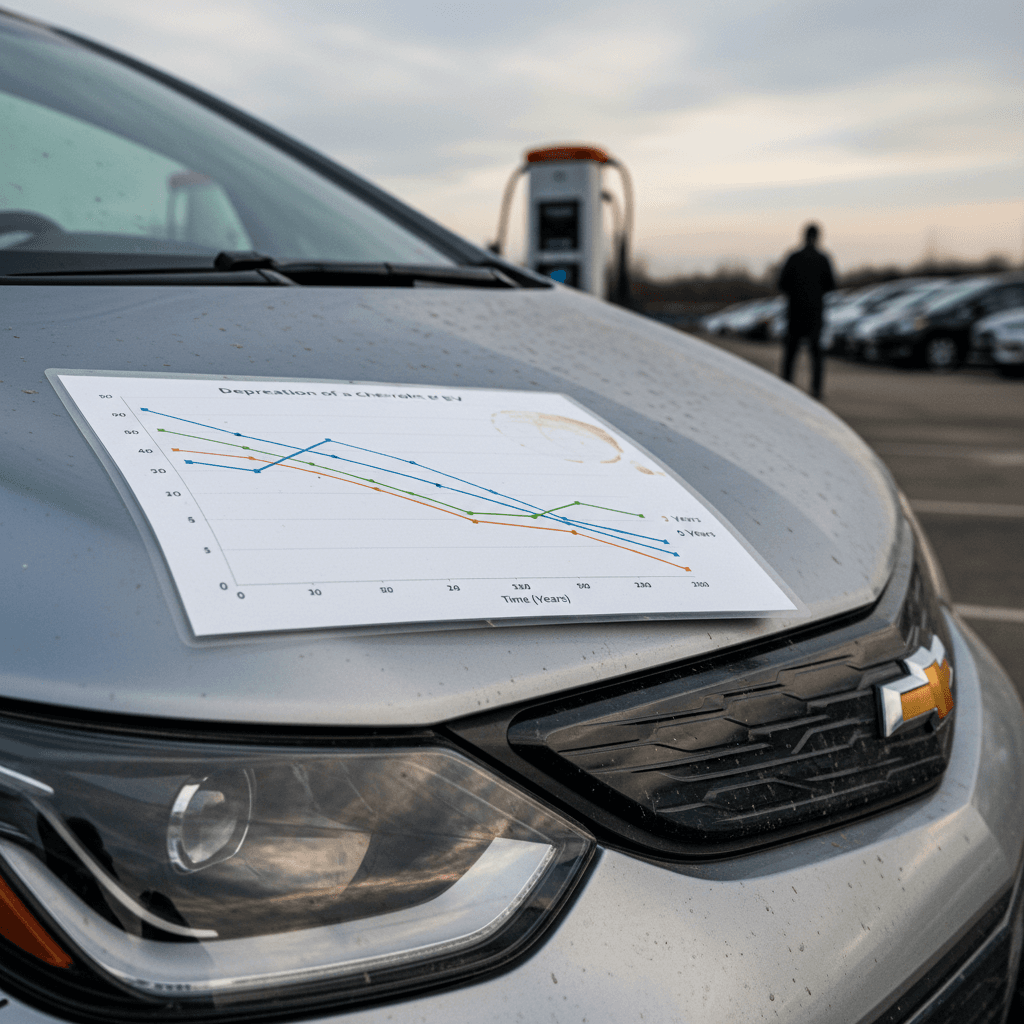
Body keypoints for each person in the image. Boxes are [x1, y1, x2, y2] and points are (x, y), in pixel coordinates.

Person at [778, 223, 836, 399]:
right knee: (816, 355)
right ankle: (816, 390)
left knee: (790, 354)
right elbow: (831, 285)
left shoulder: (794, 257)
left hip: (795, 312)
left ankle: (785, 387)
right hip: (814, 314)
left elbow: (782, 283)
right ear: (818, 237)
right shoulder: (823, 259)